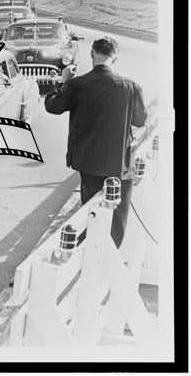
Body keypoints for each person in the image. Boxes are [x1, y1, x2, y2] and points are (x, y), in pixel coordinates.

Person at [45, 36, 147, 248]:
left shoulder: (78, 84)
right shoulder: (130, 86)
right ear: (115, 58)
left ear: (92, 54)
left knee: (91, 216)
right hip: (120, 164)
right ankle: (111, 258)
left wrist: (63, 82)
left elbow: (52, 106)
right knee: (117, 222)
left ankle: (91, 256)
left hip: (89, 165)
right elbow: (140, 120)